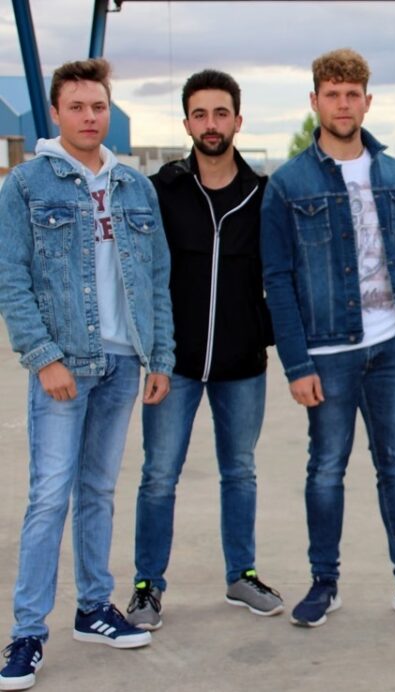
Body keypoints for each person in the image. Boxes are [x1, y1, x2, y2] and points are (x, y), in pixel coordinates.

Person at [261, 48, 395, 627]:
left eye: (353, 94)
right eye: (333, 93)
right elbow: (277, 278)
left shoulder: (394, 173)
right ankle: (325, 581)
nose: (343, 104)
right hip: (328, 350)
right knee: (326, 468)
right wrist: (297, 364)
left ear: (367, 101)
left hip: (393, 346)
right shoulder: (288, 183)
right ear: (316, 100)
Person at [0, 58, 174, 691]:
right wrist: (42, 356)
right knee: (49, 495)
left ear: (109, 109)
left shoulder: (135, 186)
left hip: (126, 360)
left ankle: (93, 607)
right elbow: (10, 278)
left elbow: (156, 278)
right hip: (65, 363)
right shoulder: (25, 186)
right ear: (55, 112)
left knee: (99, 489)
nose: (89, 116)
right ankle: (26, 633)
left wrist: (161, 356)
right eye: (76, 106)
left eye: (98, 106)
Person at [125, 69, 281, 632]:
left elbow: (279, 276)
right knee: (159, 474)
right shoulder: (161, 190)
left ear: (238, 120)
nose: (211, 125)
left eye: (221, 114)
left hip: (243, 366)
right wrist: (150, 351)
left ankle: (242, 575)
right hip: (176, 365)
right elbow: (138, 273)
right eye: (200, 114)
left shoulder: (263, 195)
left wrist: (270, 337)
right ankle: (147, 587)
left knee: (239, 471)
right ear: (186, 121)